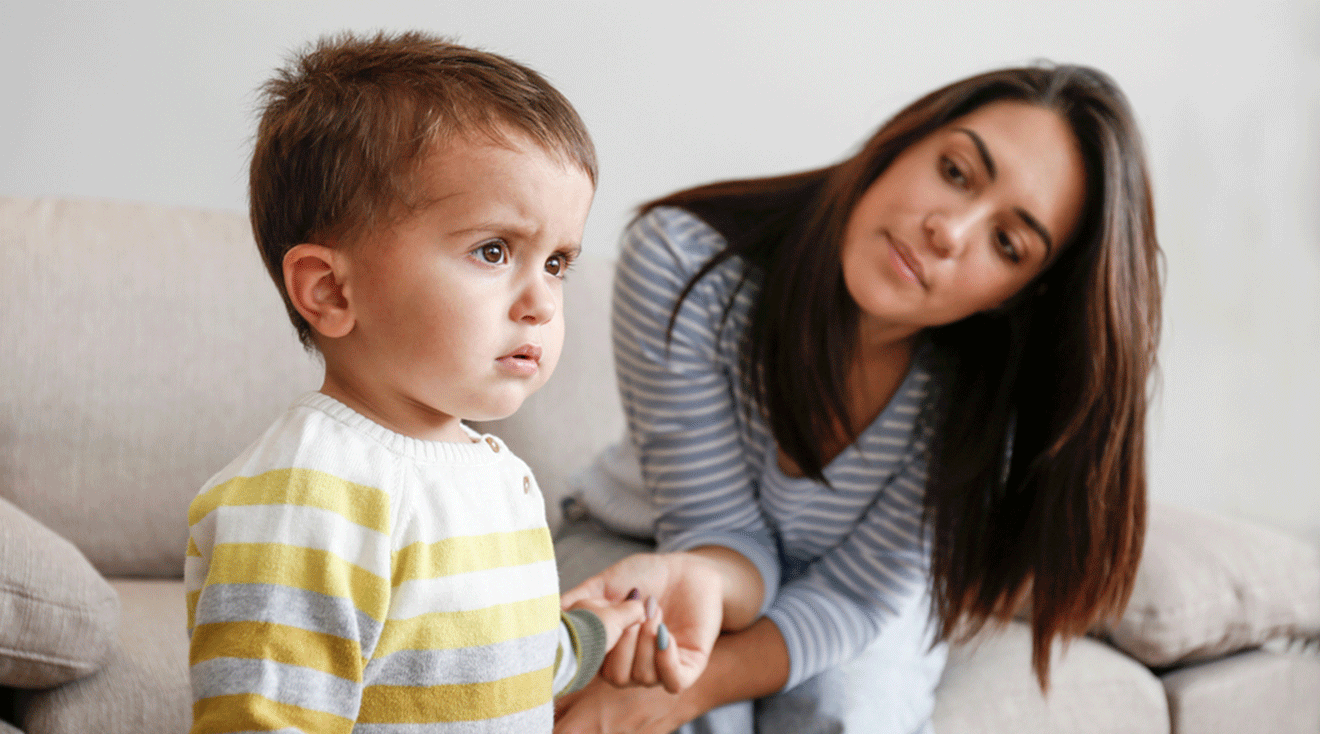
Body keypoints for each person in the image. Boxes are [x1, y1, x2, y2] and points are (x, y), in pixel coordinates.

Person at [555, 63, 1162, 734]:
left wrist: (692, 690)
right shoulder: (680, 261)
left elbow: (853, 597)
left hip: (851, 592)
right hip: (656, 540)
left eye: (1006, 242)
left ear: (1017, 294)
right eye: (956, 172)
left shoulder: (980, 406)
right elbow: (718, 536)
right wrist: (690, 683)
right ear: (904, 139)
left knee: (845, 710)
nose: (949, 231)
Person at [185, 31, 661, 733]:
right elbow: (260, 716)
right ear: (331, 292)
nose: (543, 301)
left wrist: (594, 634)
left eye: (558, 262)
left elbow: (487, 661)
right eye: (494, 250)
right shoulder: (305, 496)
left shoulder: (493, 476)